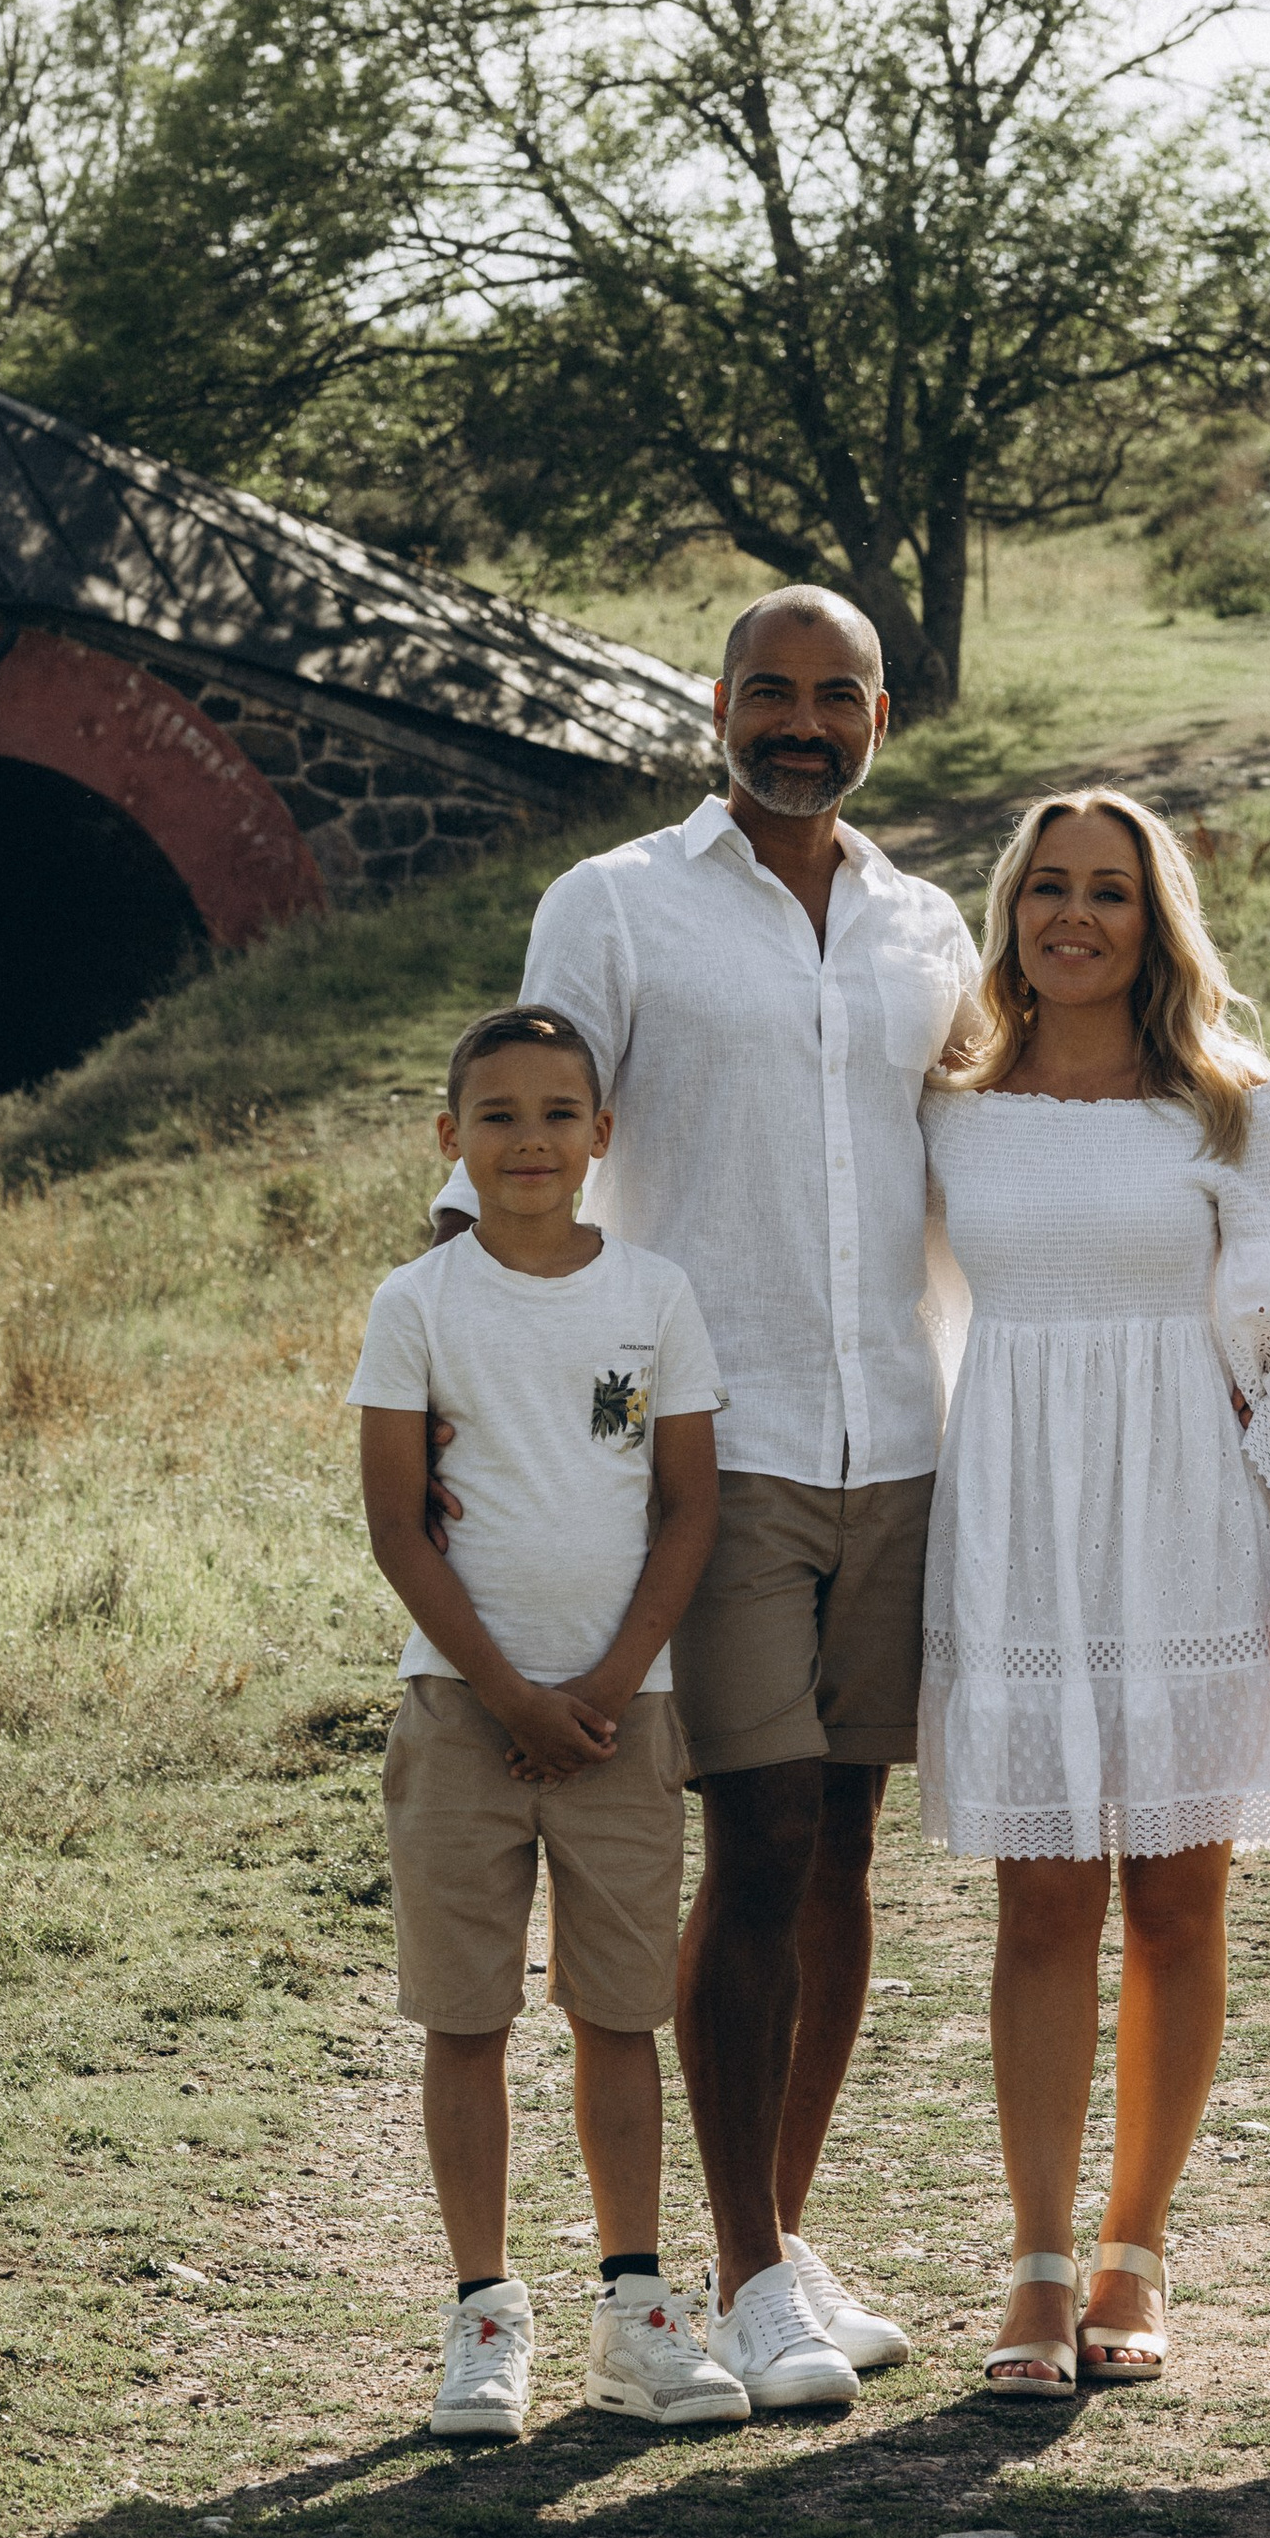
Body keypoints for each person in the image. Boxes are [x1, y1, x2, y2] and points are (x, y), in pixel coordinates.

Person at [440, 589, 982, 2412]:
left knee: (839, 1848)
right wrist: (467, 1399)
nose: (802, 724)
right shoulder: (614, 903)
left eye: (837, 697)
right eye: (771, 692)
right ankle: (738, 2269)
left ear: (880, 718)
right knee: (752, 1840)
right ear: (718, 705)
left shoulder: (927, 926)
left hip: (896, 1438)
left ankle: (780, 2244)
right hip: (715, 1447)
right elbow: (518, 1141)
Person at [917, 789, 1270, 2398]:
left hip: (1191, 1515)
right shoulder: (949, 1109)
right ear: (1012, 909)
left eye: (1108, 891)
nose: (1074, 917)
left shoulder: (1235, 1112)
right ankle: (1034, 2265)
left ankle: (1134, 2249)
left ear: (1155, 920)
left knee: (1177, 1899)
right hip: (1019, 1511)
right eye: (1048, 889)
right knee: (1041, 1898)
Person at [350, 1004, 748, 2438]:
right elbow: (398, 1525)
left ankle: (638, 2309)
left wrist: (603, 1682)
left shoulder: (653, 1294)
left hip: (621, 1720)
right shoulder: (422, 1303)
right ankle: (483, 2315)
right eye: (499, 1115)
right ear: (451, 1140)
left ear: (603, 1134)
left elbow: (691, 1505)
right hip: (463, 1711)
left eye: (558, 1113)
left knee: (618, 2012)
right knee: (467, 2016)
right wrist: (512, 1693)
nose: (531, 1140)